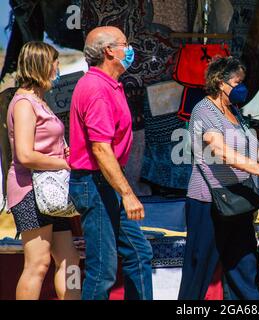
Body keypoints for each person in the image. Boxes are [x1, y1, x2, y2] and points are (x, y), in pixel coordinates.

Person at [178, 56, 259, 300]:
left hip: (238, 199)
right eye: (237, 82)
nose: (242, 87)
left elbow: (254, 149)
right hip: (209, 202)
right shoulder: (204, 110)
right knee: (199, 270)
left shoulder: (234, 112)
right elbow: (220, 151)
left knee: (245, 267)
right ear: (219, 82)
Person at [68, 26, 153, 300]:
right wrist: (127, 194)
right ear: (109, 51)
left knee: (139, 253)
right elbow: (101, 149)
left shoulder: (109, 85)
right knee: (102, 269)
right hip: (94, 183)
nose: (129, 49)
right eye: (125, 44)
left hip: (105, 182)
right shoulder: (96, 88)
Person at [6, 41, 80, 300]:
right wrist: (64, 163)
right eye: (54, 62)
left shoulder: (40, 99)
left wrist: (64, 152)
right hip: (29, 191)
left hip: (51, 191)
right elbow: (25, 155)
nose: (57, 67)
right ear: (41, 65)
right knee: (37, 264)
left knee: (69, 259)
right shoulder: (25, 103)